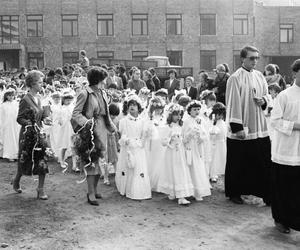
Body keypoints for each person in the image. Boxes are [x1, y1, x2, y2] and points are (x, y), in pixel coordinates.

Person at [225, 46, 271, 205]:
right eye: (252, 58)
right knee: (238, 162)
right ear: (242, 59)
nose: (255, 61)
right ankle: (235, 192)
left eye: (257, 58)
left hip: (259, 127)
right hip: (243, 127)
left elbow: (267, 95)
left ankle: (266, 193)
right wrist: (237, 128)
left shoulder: (260, 76)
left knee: (263, 161)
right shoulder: (235, 78)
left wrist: (264, 100)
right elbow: (232, 103)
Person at [71, 66, 116, 206]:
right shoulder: (85, 93)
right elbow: (76, 113)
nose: (105, 81)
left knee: (100, 160)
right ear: (98, 80)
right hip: (90, 130)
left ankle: (95, 190)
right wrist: (87, 123)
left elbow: (106, 113)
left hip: (102, 128)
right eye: (103, 79)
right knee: (92, 160)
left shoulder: (102, 92)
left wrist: (112, 127)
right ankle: (90, 192)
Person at [270, 59, 300, 234]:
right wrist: (296, 126)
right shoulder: (285, 95)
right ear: (295, 73)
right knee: (284, 187)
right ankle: (281, 219)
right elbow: (275, 121)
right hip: (286, 150)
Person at [12, 70, 52, 200]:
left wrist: (44, 119)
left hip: (39, 134)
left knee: (42, 160)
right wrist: (29, 123)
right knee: (24, 160)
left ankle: (40, 189)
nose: (42, 85)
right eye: (40, 82)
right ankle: (17, 179)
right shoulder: (25, 99)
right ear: (32, 84)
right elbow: (19, 118)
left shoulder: (40, 98)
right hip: (27, 135)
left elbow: (41, 115)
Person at [115, 95, 152, 200]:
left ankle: (137, 190)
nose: (132, 107)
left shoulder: (143, 121)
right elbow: (121, 135)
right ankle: (126, 188)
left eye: (134, 105)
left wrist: (140, 143)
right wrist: (126, 141)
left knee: (137, 167)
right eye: (130, 105)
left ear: (138, 107)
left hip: (138, 147)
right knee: (127, 166)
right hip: (127, 147)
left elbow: (144, 135)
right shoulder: (123, 121)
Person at [157, 104, 194, 205]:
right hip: (171, 152)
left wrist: (189, 136)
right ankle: (174, 193)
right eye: (176, 115)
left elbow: (183, 140)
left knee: (180, 171)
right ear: (170, 115)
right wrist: (171, 138)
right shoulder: (167, 127)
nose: (178, 117)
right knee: (172, 171)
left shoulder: (180, 126)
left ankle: (180, 195)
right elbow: (163, 142)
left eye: (180, 115)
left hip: (180, 152)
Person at [183, 101, 211, 201]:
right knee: (191, 166)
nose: (197, 111)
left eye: (198, 109)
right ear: (189, 111)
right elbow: (184, 136)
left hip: (198, 147)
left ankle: (198, 191)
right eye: (194, 109)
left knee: (199, 166)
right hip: (190, 147)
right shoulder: (186, 121)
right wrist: (191, 133)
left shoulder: (201, 120)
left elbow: (206, 134)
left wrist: (201, 136)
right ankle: (190, 190)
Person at [208, 102, 227, 183]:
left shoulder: (223, 123)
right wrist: (214, 124)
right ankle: (212, 174)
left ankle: (218, 172)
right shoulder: (212, 122)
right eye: (218, 114)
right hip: (215, 143)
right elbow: (211, 133)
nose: (220, 116)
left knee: (221, 159)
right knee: (214, 159)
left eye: (222, 114)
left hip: (222, 143)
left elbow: (224, 133)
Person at [0, 89, 20, 161]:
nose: (11, 97)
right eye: (9, 96)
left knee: (16, 138)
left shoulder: (16, 103)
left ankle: (16, 154)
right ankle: (9, 155)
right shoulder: (3, 105)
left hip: (15, 124)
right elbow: (2, 116)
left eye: (12, 95)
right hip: (7, 124)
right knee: (9, 139)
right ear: (6, 96)